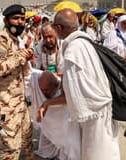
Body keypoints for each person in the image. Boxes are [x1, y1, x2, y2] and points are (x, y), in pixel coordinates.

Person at [39, 8, 120, 160]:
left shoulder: (73, 51)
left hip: (95, 117)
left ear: (59, 28)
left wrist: (47, 103)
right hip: (101, 112)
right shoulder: (85, 42)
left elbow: (71, 96)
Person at [0, 4, 35, 160]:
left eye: (22, 19)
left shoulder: (15, 39)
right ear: (6, 20)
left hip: (18, 101)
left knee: (27, 138)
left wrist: (24, 56)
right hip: (3, 104)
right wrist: (20, 56)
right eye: (16, 18)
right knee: (12, 147)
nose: (20, 22)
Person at [32, 70, 80, 160]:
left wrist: (47, 103)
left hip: (68, 125)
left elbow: (67, 98)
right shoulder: (43, 86)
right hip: (51, 127)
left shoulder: (65, 83)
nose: (43, 93)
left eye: (46, 90)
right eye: (42, 90)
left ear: (55, 85)